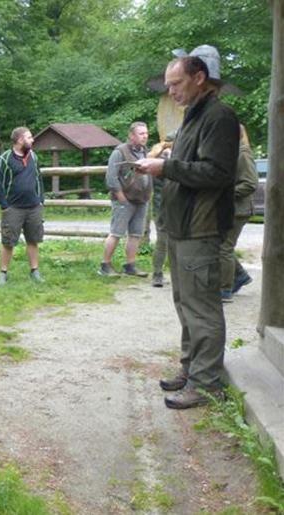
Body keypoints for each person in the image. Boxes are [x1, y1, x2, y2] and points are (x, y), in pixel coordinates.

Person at [135, 48, 240, 409]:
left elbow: (217, 173)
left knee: (202, 309)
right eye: (168, 85)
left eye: (176, 84)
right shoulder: (192, 116)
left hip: (202, 228)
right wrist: (166, 162)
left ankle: (206, 383)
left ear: (199, 78)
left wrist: (166, 168)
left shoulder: (219, 116)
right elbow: (190, 165)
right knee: (185, 304)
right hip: (181, 227)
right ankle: (191, 369)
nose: (171, 92)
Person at [0, 127, 45, 285]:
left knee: (33, 240)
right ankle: (3, 273)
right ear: (20, 140)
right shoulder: (4, 159)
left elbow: (39, 179)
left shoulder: (33, 157)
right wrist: (4, 205)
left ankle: (35, 271)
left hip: (34, 207)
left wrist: (41, 200)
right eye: (29, 137)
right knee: (8, 242)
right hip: (13, 208)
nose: (32, 140)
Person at [100, 122, 152, 277]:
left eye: (146, 133)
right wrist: (121, 197)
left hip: (141, 199)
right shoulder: (119, 151)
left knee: (136, 234)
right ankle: (105, 265)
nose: (145, 136)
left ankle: (130, 265)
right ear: (131, 135)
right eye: (141, 133)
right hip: (124, 200)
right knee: (116, 233)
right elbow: (111, 177)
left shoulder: (146, 152)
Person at [219, 125, 258, 301]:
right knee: (220, 245)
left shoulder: (242, 152)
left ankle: (224, 290)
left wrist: (225, 193)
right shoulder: (229, 152)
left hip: (239, 209)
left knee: (224, 248)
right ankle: (240, 276)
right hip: (229, 208)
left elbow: (250, 183)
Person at [147, 134, 175, 287]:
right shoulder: (166, 159)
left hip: (161, 205)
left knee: (162, 242)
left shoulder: (154, 157)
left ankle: (157, 274)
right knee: (166, 242)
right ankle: (159, 274)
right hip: (167, 204)